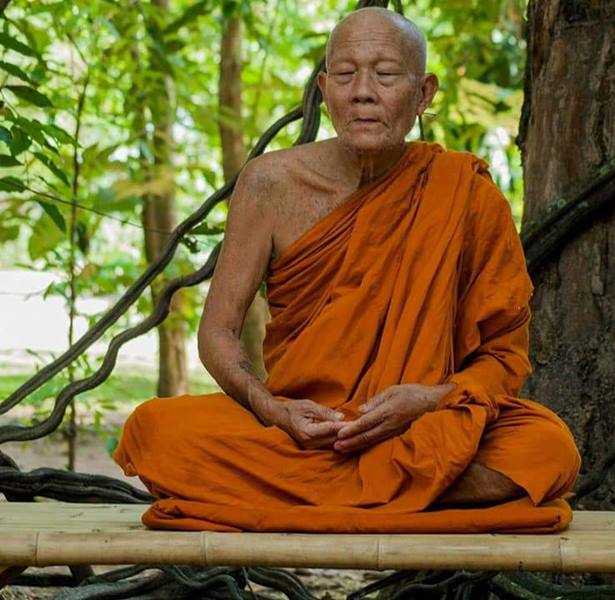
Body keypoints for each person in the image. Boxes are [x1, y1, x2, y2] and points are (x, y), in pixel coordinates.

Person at [113, 6, 581, 533]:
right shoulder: (268, 184)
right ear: (323, 89)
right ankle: (400, 488)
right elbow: (217, 332)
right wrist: (272, 409)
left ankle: (326, 491)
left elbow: (503, 356)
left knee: (546, 447)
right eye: (344, 74)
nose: (363, 92)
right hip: (299, 430)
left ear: (423, 93)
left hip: (420, 426)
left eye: (385, 74)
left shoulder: (466, 193)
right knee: (154, 429)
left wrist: (427, 400)